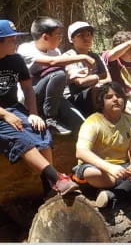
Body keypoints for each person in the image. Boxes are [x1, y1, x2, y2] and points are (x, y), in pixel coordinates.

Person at [0, 19, 78, 196]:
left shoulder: (15, 60)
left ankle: (50, 187)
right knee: (19, 138)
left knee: (41, 131)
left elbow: (27, 88)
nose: (15, 43)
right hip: (1, 114)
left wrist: (34, 114)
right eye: (11, 40)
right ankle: (57, 178)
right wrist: (5, 115)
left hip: (14, 108)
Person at [74, 82, 131, 208]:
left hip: (123, 168)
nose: (115, 99)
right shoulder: (92, 122)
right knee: (90, 173)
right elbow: (81, 152)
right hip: (100, 168)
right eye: (109, 97)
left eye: (118, 96)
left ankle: (113, 194)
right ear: (101, 103)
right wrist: (110, 168)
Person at [17, 17, 92, 135]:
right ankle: (50, 118)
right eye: (58, 36)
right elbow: (52, 63)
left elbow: (59, 78)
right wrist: (82, 57)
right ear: (45, 37)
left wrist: (72, 75)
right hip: (32, 97)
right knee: (58, 74)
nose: (60, 40)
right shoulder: (25, 49)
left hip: (53, 98)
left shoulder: (55, 51)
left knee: (82, 125)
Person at [64, 21, 111, 117]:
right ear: (72, 39)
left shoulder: (96, 56)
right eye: (81, 35)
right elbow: (80, 82)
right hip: (74, 97)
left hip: (98, 92)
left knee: (114, 90)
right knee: (97, 89)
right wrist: (99, 77)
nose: (86, 38)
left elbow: (108, 78)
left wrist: (92, 79)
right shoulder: (68, 57)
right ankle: (98, 118)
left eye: (89, 35)